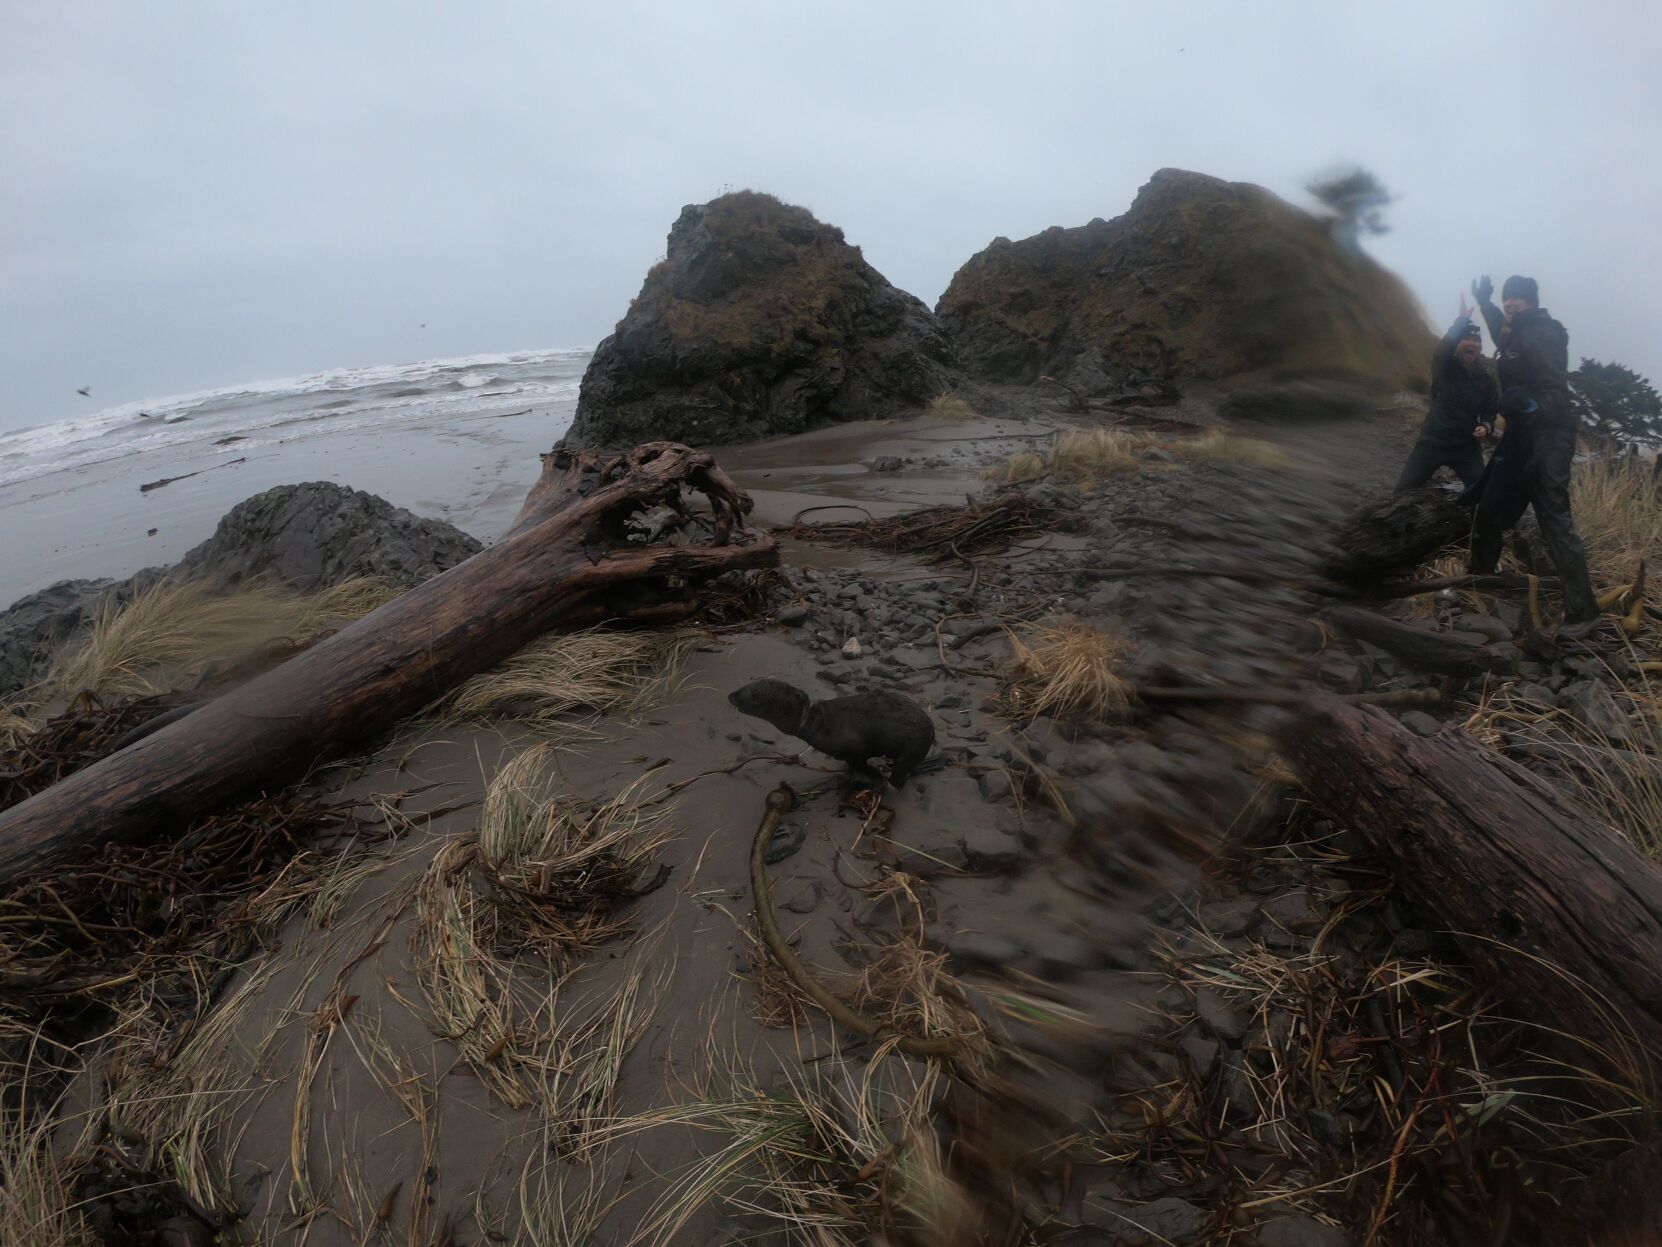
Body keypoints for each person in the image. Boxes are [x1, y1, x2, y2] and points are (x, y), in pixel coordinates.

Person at [1467, 274, 1599, 631]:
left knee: (1553, 516)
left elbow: (1553, 384)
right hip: (1522, 435)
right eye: (1508, 297)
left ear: (1532, 302)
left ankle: (1583, 611)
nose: (1511, 302)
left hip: (1550, 434)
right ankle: (1479, 580)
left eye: (1519, 298)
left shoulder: (1543, 331)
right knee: (1491, 505)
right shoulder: (1513, 331)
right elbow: (1498, 327)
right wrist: (1485, 301)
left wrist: (1529, 405)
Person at [1395, 297, 1498, 490]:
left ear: (1480, 347)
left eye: (1476, 340)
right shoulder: (1445, 366)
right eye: (1466, 338)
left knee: (1482, 493)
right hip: (1432, 442)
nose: (1472, 343)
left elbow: (1490, 410)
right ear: (1458, 345)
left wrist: (1486, 425)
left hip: (1466, 447)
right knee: (1403, 490)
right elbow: (1442, 351)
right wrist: (1461, 322)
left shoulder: (1486, 380)